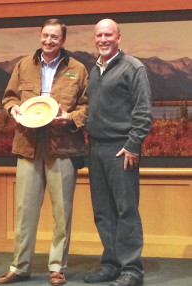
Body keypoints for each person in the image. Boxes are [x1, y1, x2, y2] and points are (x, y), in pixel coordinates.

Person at [0, 18, 88, 286]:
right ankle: (19, 267)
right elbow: (10, 97)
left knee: (62, 212)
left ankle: (57, 267)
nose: (49, 41)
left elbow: (88, 106)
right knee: (25, 211)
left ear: (63, 40)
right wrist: (14, 109)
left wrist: (71, 117)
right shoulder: (24, 65)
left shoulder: (78, 69)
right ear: (40, 36)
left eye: (54, 37)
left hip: (64, 148)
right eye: (45, 36)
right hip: (28, 146)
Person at [83, 19, 152, 286]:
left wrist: (133, 145)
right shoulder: (95, 69)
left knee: (126, 210)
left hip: (121, 149)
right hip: (96, 148)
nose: (103, 39)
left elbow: (143, 110)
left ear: (119, 37)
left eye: (108, 35)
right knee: (103, 211)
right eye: (99, 35)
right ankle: (111, 264)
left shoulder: (133, 67)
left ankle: (132, 270)